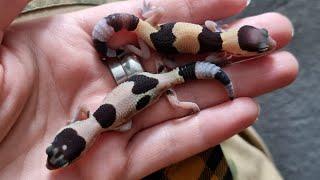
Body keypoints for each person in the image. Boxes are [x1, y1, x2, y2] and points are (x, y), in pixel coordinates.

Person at [0, 0, 297, 179]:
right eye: (62, 156)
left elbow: (127, 121)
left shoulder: (109, 125)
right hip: (155, 78)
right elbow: (125, 119)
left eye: (56, 153)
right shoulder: (86, 117)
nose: (55, 159)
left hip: (158, 79)